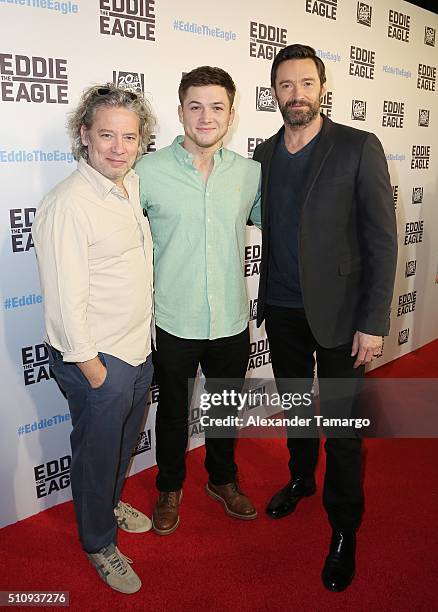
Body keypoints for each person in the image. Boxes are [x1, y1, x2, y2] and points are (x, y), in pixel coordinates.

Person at [252, 44, 397, 591]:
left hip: (343, 317)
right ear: (274, 93)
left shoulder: (359, 147)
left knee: (342, 428)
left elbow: (382, 241)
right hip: (282, 310)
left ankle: (343, 528)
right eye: (286, 85)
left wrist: (375, 320)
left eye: (306, 84)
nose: (297, 95)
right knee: (296, 407)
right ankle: (298, 479)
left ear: (322, 88)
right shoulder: (263, 157)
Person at [33, 83, 155, 594]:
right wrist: (95, 371)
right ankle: (98, 541)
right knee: (97, 455)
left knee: (121, 446)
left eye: (128, 137)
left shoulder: (129, 186)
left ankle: (105, 502)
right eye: (106, 135)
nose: (118, 147)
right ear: (84, 136)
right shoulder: (69, 203)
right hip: (97, 360)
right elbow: (63, 304)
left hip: (136, 347)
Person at [136, 66, 261, 535]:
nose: (205, 117)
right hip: (174, 317)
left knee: (226, 406)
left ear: (231, 114)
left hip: (231, 317)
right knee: (172, 412)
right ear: (180, 111)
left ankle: (222, 480)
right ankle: (170, 487)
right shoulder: (146, 171)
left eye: (216, 107)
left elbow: (279, 225)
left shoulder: (250, 174)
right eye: (195, 106)